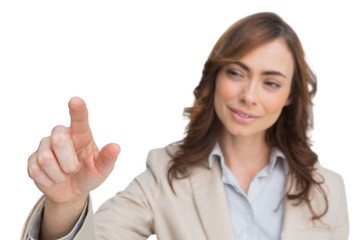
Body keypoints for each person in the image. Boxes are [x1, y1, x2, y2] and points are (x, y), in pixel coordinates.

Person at [22, 12, 349, 240]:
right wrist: (66, 204)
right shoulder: (165, 175)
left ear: (291, 96)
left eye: (271, 83)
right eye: (236, 73)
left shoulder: (328, 190)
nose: (249, 96)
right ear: (214, 76)